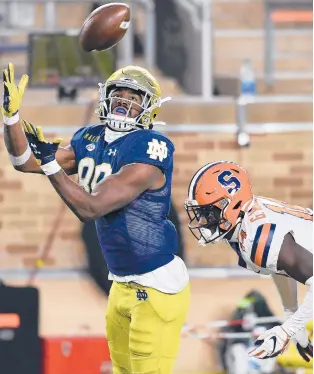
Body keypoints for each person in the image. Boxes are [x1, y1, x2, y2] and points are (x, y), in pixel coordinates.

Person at [2, 63, 190, 374]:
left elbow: (91, 208)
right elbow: (24, 162)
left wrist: (51, 164)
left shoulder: (150, 147)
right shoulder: (90, 137)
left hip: (156, 285)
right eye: (120, 94)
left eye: (134, 97)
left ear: (149, 109)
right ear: (105, 97)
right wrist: (12, 118)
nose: (124, 101)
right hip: (120, 282)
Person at [185, 161, 313, 361]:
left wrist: (286, 331)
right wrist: (293, 322)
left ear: (233, 203)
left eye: (209, 212)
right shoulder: (247, 224)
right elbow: (279, 266)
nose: (203, 221)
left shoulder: (257, 236)